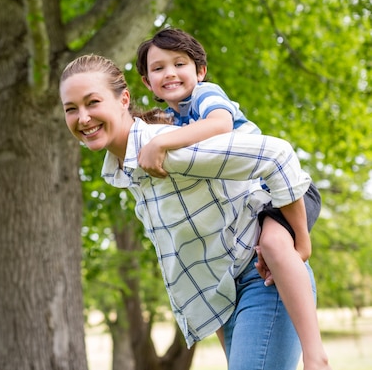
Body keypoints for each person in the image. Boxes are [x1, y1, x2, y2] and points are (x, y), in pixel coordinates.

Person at [59, 54, 324, 370]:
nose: (83, 117)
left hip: (263, 279)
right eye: (71, 109)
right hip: (226, 295)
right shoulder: (126, 169)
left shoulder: (166, 148)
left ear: (123, 99)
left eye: (93, 102)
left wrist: (298, 243)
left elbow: (277, 156)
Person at [134, 27, 330, 370]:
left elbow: (221, 125)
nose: (169, 73)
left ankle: (316, 357)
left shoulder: (206, 97)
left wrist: (162, 144)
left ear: (200, 71)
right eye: (158, 68)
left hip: (283, 192)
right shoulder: (172, 122)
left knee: (272, 243)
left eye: (179, 63)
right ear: (147, 82)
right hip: (255, 209)